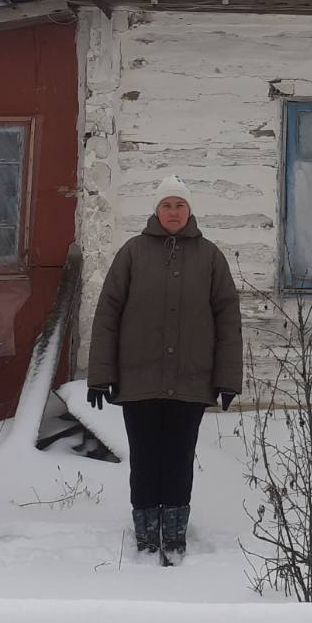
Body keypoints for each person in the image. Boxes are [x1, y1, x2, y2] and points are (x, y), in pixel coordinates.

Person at [86, 175, 242, 564]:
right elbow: (107, 314)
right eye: (167, 205)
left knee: (178, 458)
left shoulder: (210, 257)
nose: (173, 212)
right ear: (156, 211)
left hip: (190, 380)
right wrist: (101, 374)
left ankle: (174, 536)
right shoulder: (133, 253)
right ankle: (145, 534)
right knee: (145, 458)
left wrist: (226, 379)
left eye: (180, 205)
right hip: (139, 379)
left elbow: (228, 320)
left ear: (190, 211)